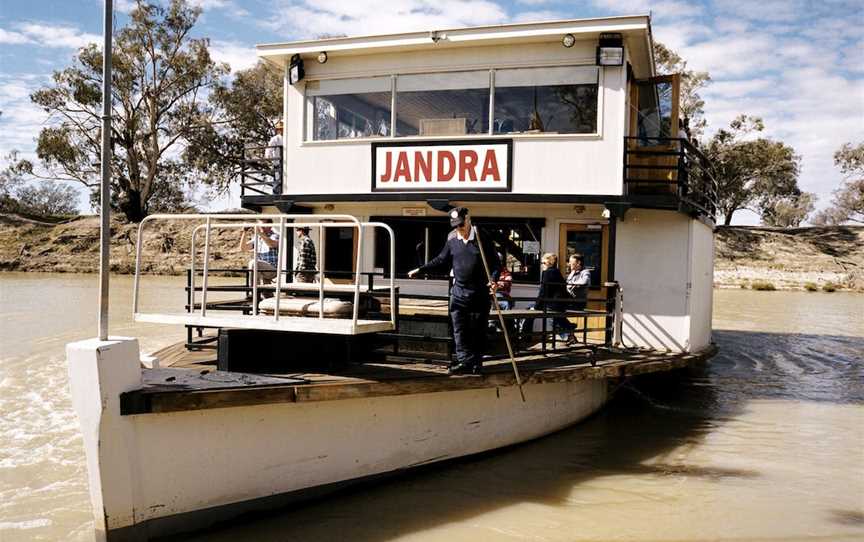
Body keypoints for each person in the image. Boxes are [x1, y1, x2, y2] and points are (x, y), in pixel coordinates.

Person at [408, 207, 499, 375]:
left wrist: (493, 280)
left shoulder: (482, 237)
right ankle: (464, 361)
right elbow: (441, 259)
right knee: (459, 329)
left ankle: (476, 363)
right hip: (459, 292)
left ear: (468, 219)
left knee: (478, 329)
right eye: (456, 226)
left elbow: (495, 264)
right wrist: (421, 269)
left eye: (461, 225)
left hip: (479, 293)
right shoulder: (452, 238)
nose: (459, 229)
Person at [533, 253, 575, 341]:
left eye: (543, 263)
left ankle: (524, 337)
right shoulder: (556, 271)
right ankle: (569, 331)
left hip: (553, 304)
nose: (541, 265)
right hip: (560, 303)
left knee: (551, 319)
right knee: (555, 319)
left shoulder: (547, 272)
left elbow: (543, 291)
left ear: (549, 263)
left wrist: (536, 306)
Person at [240, 223, 280, 291]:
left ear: (270, 226)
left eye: (263, 225)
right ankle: (260, 296)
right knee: (266, 294)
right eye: (260, 225)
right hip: (261, 269)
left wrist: (260, 233)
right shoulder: (257, 238)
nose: (261, 227)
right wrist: (245, 232)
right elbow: (244, 248)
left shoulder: (275, 236)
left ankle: (254, 292)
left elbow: (271, 244)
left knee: (253, 263)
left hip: (273, 269)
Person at [266, 119, 284, 195]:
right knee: (277, 180)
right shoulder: (275, 139)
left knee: (280, 179)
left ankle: (279, 193)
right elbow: (269, 150)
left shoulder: (286, 138)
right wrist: (269, 157)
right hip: (278, 162)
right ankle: (276, 194)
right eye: (280, 129)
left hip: (283, 162)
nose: (281, 130)